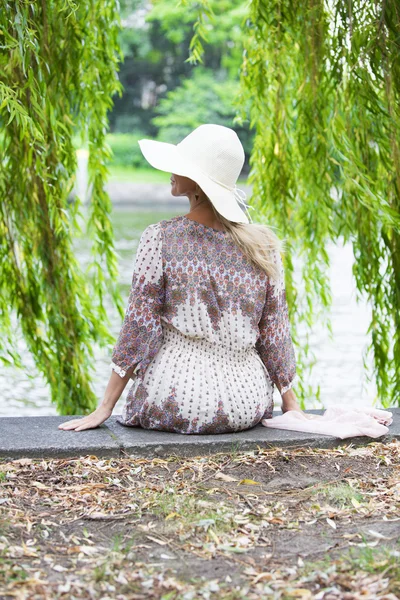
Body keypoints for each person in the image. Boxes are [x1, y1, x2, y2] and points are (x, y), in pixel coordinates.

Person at [59, 124, 302, 434]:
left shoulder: (160, 238)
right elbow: (275, 332)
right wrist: (291, 405)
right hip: (246, 404)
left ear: (200, 184)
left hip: (178, 399)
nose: (171, 171)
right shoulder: (263, 245)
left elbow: (139, 326)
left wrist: (104, 407)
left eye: (181, 165)